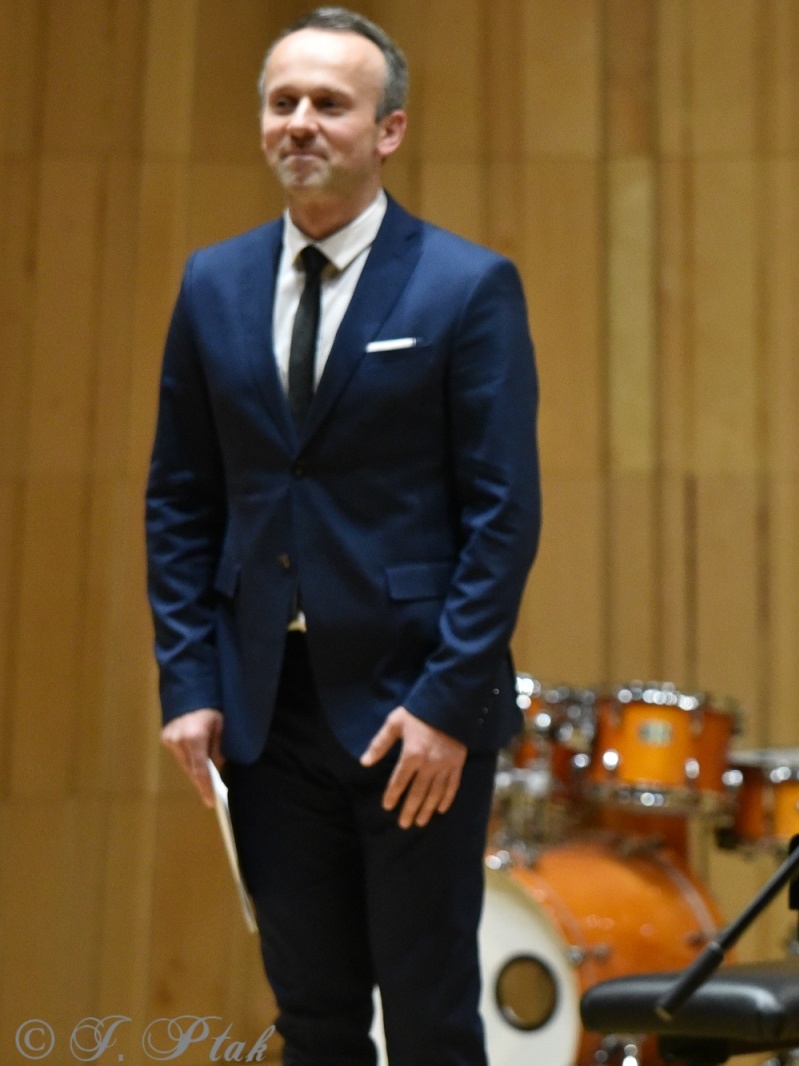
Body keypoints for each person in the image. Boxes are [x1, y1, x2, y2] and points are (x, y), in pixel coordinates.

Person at [144, 8, 540, 1064]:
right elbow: (181, 496)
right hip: (265, 709)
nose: (302, 123)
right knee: (312, 1018)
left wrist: (449, 708)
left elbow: (502, 513)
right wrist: (189, 682)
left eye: (331, 103)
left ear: (389, 129)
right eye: (284, 102)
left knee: (428, 1019)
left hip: (415, 715)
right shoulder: (211, 283)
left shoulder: (466, 286)